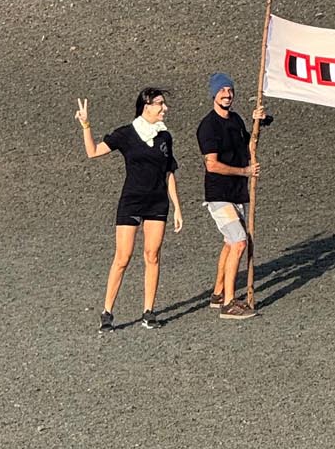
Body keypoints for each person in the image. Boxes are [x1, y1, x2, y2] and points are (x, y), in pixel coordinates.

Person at [77, 87, 183, 330]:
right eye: (160, 104)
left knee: (152, 256)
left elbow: (169, 173)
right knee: (123, 257)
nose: (164, 108)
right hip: (132, 202)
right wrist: (86, 124)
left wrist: (177, 207)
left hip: (157, 203)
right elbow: (92, 152)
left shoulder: (165, 137)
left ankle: (149, 311)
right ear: (146, 106)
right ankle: (107, 312)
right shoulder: (127, 133)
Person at [196, 73, 269, 320]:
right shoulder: (208, 126)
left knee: (230, 242)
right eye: (222, 91)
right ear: (214, 94)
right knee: (238, 242)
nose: (227, 95)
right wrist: (245, 171)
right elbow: (212, 165)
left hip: (238, 192)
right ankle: (229, 303)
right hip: (219, 194)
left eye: (230, 90)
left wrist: (260, 121)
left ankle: (218, 294)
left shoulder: (236, 120)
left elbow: (249, 145)